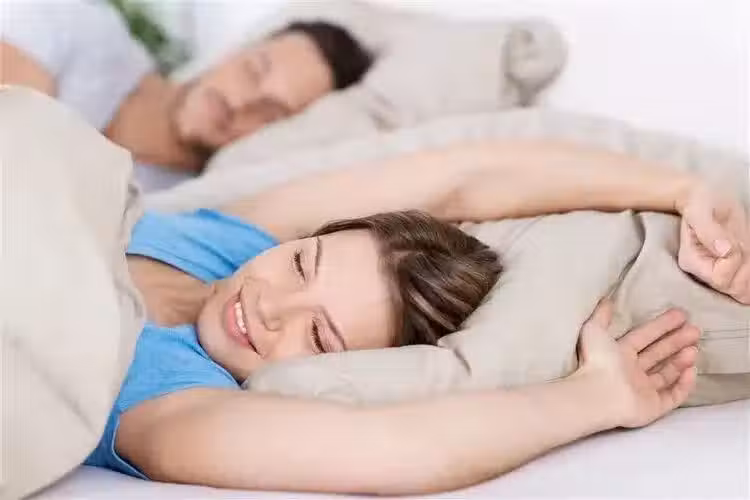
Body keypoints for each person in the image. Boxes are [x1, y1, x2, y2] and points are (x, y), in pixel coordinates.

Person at [81, 137, 750, 494]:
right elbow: (466, 174)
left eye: (318, 335)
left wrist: (593, 399)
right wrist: (683, 188)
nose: (268, 307)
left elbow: (393, 450)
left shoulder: (168, 406)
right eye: (303, 265)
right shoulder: (230, 245)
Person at [1, 1, 373, 173]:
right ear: (234, 52)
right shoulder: (82, 30)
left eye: (270, 113)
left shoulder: (172, 211)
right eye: (253, 71)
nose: (240, 102)